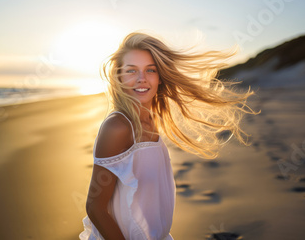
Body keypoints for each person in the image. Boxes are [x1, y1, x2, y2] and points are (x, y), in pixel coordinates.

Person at [79, 32, 259, 239]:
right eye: (131, 71)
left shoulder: (151, 119)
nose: (141, 79)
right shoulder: (118, 127)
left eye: (150, 70)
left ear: (160, 77)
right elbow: (95, 207)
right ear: (119, 77)